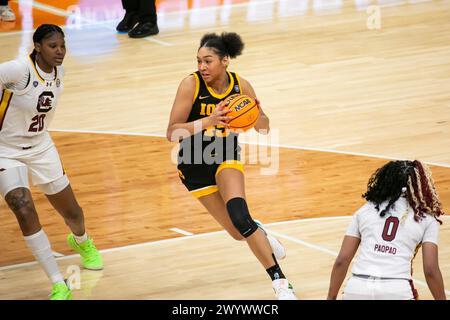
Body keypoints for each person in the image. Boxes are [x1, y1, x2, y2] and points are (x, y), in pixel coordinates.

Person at [166, 32, 297, 300]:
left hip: (226, 157)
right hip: (193, 166)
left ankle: (280, 283)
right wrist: (211, 119)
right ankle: (259, 231)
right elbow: (172, 132)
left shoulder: (242, 86)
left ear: (225, 60)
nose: (202, 67)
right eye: (199, 61)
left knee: (240, 215)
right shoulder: (190, 85)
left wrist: (257, 114)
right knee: (239, 233)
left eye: (208, 61)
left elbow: (264, 128)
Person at [0, 24, 103, 300]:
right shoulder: (18, 70)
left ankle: (81, 240)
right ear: (37, 46)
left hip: (41, 147)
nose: (59, 51)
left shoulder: (60, 72)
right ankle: (58, 282)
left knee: (73, 213)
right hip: (5, 150)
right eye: (52, 46)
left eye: (62, 46)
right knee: (22, 207)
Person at [327, 160, 446, 300]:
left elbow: (342, 260)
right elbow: (430, 269)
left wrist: (331, 297)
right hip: (396, 289)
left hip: (358, 288)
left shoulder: (366, 210)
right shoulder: (426, 219)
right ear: (420, 185)